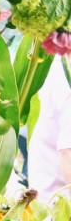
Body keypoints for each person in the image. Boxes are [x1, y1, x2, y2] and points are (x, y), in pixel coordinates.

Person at [28, 62, 71, 202]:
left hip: (46, 193)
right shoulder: (66, 74)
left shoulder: (58, 65)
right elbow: (67, 153)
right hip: (60, 204)